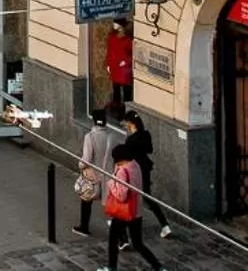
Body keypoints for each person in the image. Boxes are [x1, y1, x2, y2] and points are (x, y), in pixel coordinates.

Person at [103, 137, 163, 268]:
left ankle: (111, 267)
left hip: (122, 212)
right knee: (138, 243)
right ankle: (158, 266)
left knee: (113, 240)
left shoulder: (122, 171)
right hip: (136, 210)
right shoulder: (135, 165)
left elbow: (121, 195)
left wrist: (111, 183)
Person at [73, 102, 125, 238]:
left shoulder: (90, 137)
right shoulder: (112, 136)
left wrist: (80, 165)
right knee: (112, 205)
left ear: (94, 121)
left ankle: (84, 227)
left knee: (86, 200)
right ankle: (122, 236)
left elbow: (86, 158)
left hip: (94, 176)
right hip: (109, 174)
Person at [123, 110, 176, 239]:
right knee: (147, 197)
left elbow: (127, 157)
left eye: (126, 124)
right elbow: (149, 149)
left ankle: (120, 223)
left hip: (134, 171)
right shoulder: (146, 135)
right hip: (145, 169)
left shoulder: (130, 140)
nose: (126, 126)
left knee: (128, 196)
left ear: (131, 124)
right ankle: (165, 225)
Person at [107, 17, 135, 107]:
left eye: (116, 23)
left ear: (121, 26)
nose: (114, 24)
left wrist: (126, 62)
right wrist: (108, 64)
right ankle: (117, 109)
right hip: (114, 67)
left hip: (124, 70)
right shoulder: (112, 37)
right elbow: (109, 51)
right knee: (116, 90)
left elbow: (133, 55)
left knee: (127, 91)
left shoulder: (128, 40)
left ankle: (127, 109)